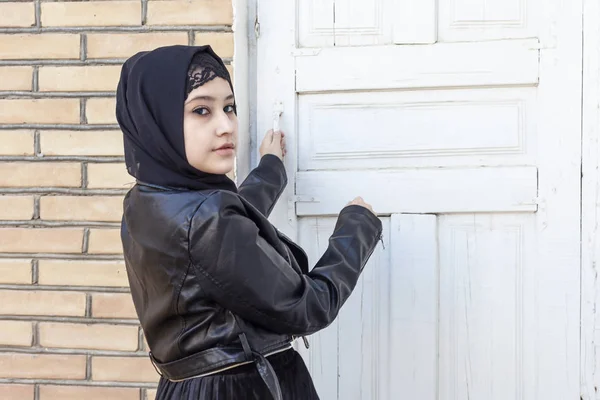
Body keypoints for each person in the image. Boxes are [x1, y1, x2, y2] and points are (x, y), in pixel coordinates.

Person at [117, 45, 383, 400]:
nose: (225, 126)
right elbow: (308, 307)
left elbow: (219, 230)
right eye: (201, 110)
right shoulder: (209, 220)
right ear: (159, 120)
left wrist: (270, 169)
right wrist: (357, 229)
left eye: (229, 107)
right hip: (241, 387)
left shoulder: (147, 198)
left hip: (184, 387)